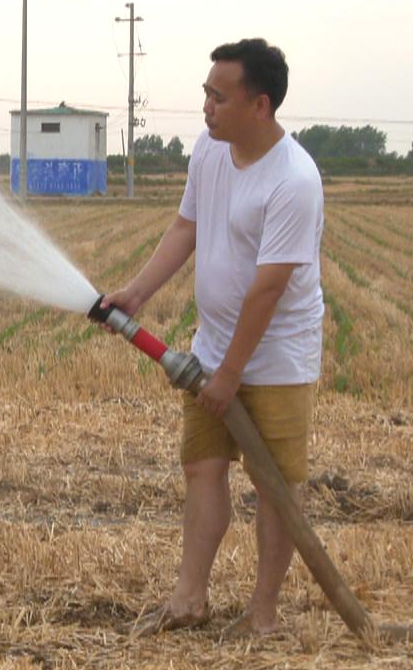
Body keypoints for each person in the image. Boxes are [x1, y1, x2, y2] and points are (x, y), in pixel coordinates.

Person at [98, 38, 325, 636]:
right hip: (212, 346)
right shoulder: (209, 149)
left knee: (274, 487)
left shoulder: (294, 180)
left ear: (260, 104)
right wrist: (137, 293)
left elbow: (268, 290)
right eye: (205, 93)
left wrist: (229, 375)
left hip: (277, 359)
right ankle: (188, 599)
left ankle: (262, 614)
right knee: (202, 467)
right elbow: (186, 226)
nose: (206, 107)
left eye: (218, 97)